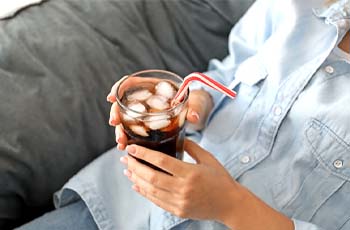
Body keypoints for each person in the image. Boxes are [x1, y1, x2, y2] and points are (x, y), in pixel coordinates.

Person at [17, 0, 350, 229]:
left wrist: (231, 206)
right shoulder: (296, 7)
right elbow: (228, 75)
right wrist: (194, 103)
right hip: (124, 209)